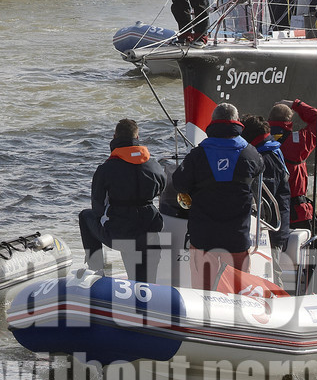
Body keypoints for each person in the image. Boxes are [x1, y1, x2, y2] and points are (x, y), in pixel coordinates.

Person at [170, 102, 263, 289]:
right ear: (236, 122)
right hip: (237, 236)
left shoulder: (197, 155)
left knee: (203, 291)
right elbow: (260, 170)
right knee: (240, 289)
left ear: (213, 123)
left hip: (204, 236)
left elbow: (179, 183)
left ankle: (206, 318)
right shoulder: (251, 153)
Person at [76, 119, 165, 282]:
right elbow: (163, 189)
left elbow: (97, 207)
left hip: (120, 235)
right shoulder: (154, 166)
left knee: (85, 216)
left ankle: (97, 271)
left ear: (114, 137)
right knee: (146, 284)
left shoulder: (106, 169)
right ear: (137, 137)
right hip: (150, 235)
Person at [268, 100, 317, 234]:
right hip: (297, 214)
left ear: (269, 120)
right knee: (311, 252)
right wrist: (296, 104)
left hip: (268, 213)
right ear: (290, 120)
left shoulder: (258, 140)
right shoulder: (299, 141)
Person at [243, 115, 291, 250]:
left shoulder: (266, 159)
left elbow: (264, 202)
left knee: (271, 270)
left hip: (270, 233)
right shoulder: (272, 151)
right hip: (273, 229)